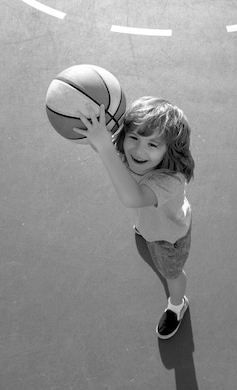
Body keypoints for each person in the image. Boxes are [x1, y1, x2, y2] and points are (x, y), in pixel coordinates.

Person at [74, 96, 195, 339]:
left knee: (172, 274)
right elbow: (102, 144)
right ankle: (143, 227)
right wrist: (95, 127)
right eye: (134, 138)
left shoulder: (168, 180)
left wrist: (106, 148)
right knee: (144, 219)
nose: (139, 150)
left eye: (153, 144)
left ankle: (177, 304)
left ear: (169, 149)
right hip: (149, 220)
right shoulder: (125, 154)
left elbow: (133, 198)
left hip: (167, 237)